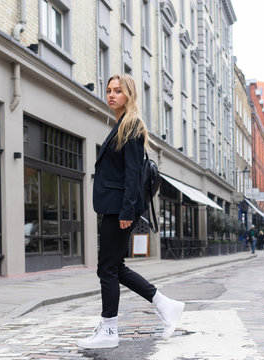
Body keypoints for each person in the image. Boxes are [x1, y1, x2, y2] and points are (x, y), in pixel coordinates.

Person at [77, 74, 184, 349]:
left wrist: (126, 212)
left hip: (120, 208)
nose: (111, 95)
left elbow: (133, 174)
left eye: (118, 91)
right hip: (115, 206)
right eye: (109, 90)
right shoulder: (121, 124)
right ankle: (165, 305)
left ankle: (110, 330)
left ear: (129, 95)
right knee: (112, 266)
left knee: (107, 268)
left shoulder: (132, 126)